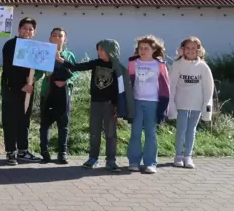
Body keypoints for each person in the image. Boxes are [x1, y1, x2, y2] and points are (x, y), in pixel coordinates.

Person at [63, 40, 134, 171]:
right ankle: (93, 158)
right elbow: (77, 67)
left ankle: (111, 161)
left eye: (101, 49)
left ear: (110, 50)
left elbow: (122, 91)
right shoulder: (96, 63)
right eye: (98, 49)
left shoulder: (118, 69)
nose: (98, 52)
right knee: (94, 132)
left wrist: (117, 106)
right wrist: (62, 61)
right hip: (95, 103)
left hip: (110, 105)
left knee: (110, 134)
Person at [168, 37, 214, 169]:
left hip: (196, 105)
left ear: (199, 50)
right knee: (181, 130)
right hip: (181, 104)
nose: (190, 51)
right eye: (187, 48)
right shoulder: (177, 65)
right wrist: (171, 104)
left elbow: (208, 88)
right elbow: (171, 85)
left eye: (194, 48)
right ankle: (178, 155)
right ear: (182, 50)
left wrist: (206, 105)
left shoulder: (203, 67)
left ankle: (188, 156)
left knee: (191, 130)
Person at [127, 35, 170, 174]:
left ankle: (150, 163)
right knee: (135, 132)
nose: (143, 50)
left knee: (151, 133)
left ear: (154, 49)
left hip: (153, 103)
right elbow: (128, 83)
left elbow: (165, 86)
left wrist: (164, 107)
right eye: (141, 48)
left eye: (146, 48)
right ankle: (134, 161)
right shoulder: (133, 63)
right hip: (137, 102)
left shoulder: (160, 65)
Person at [0, 17, 40, 165]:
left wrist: (34, 80)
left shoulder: (36, 47)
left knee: (24, 120)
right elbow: (8, 69)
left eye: (31, 29)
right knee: (10, 120)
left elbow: (40, 66)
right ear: (19, 29)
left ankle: (23, 150)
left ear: (34, 32)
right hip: (12, 89)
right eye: (25, 28)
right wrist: (20, 85)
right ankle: (11, 152)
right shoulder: (10, 45)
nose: (27, 32)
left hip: (29, 89)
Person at [37, 28, 77, 165]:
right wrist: (28, 81)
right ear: (50, 38)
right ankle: (44, 152)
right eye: (54, 35)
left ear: (65, 39)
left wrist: (67, 81)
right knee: (44, 125)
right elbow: (37, 71)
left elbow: (76, 72)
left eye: (60, 36)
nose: (57, 38)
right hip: (47, 93)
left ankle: (62, 153)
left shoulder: (69, 55)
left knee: (63, 125)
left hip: (64, 94)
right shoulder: (44, 53)